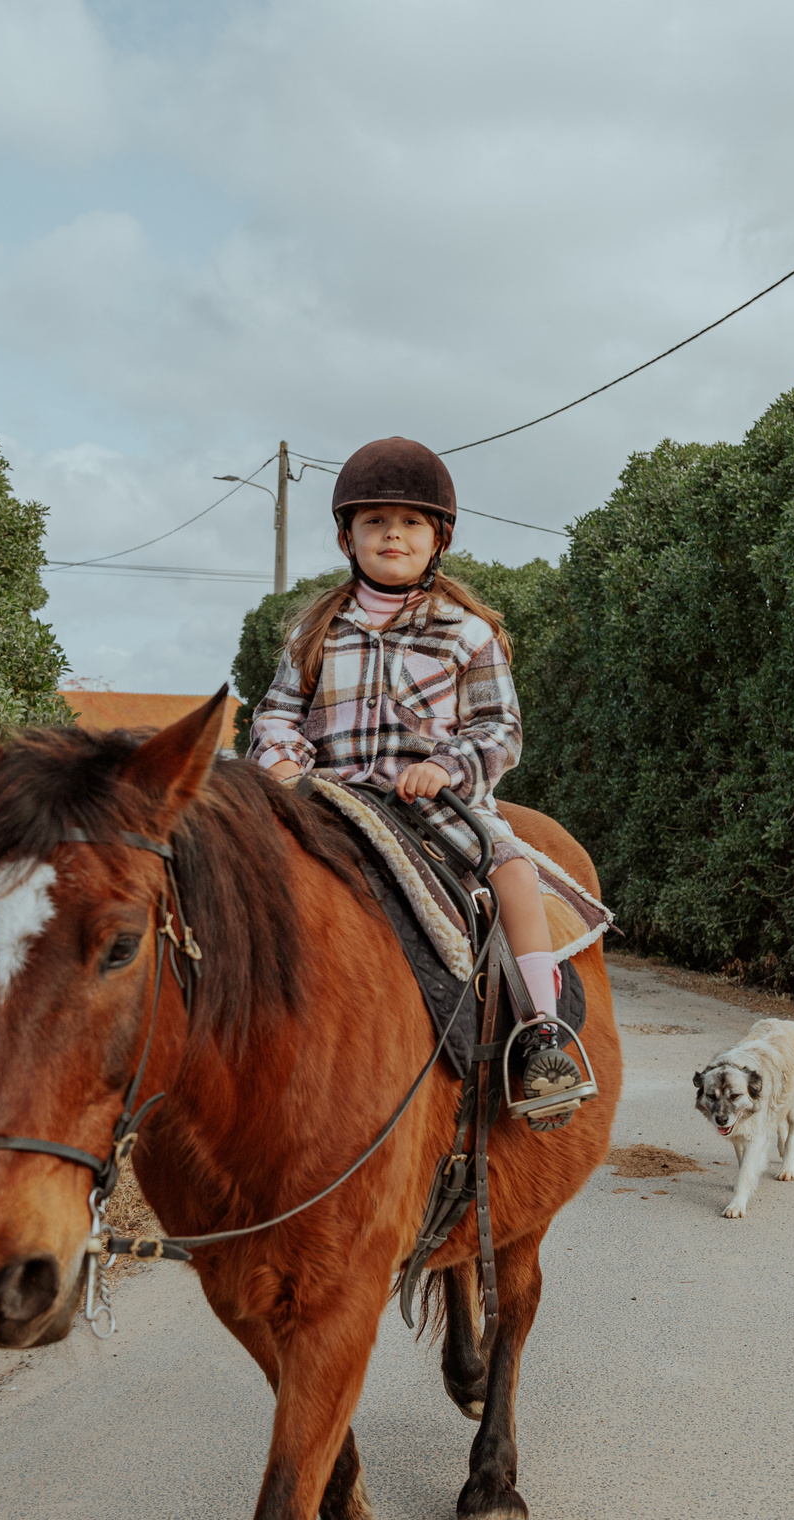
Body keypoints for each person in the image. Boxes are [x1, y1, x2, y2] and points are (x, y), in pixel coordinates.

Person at [248, 437, 594, 1123]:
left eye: (409, 522)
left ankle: (541, 1039)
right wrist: (282, 760)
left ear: (438, 537)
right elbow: (277, 712)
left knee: (514, 874)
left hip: (435, 806)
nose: (392, 535)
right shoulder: (314, 632)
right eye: (375, 522)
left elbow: (500, 728)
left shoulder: (467, 634)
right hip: (330, 802)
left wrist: (445, 767)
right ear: (349, 537)